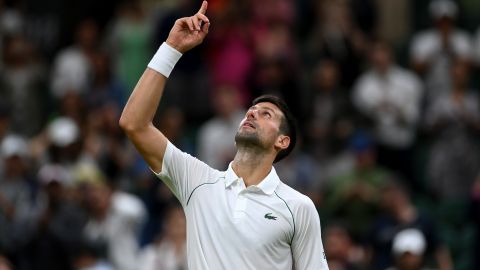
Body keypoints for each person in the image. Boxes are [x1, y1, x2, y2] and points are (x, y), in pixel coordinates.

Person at [119, 2, 329, 269]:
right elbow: (134, 124)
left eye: (266, 114)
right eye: (251, 110)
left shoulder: (299, 207)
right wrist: (171, 49)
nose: (252, 114)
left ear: (282, 141)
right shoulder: (197, 180)